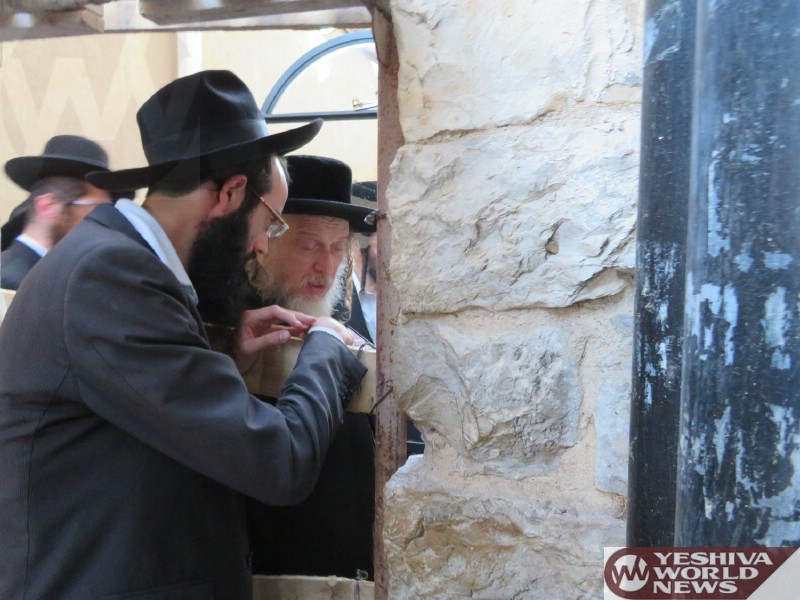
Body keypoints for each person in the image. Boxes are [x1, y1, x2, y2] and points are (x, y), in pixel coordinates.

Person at [0, 70, 366, 600]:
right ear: (230, 194)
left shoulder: (118, 263)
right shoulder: (112, 276)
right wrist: (328, 348)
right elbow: (278, 462)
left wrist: (225, 354)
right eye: (272, 222)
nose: (263, 245)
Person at [245, 155, 377, 579]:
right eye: (308, 246)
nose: (327, 265)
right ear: (264, 241)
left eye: (337, 248)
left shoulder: (342, 319)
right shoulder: (234, 325)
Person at [0, 135, 120, 289]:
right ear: (48, 206)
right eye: (97, 209)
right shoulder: (13, 282)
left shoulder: (55, 272)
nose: (105, 221)